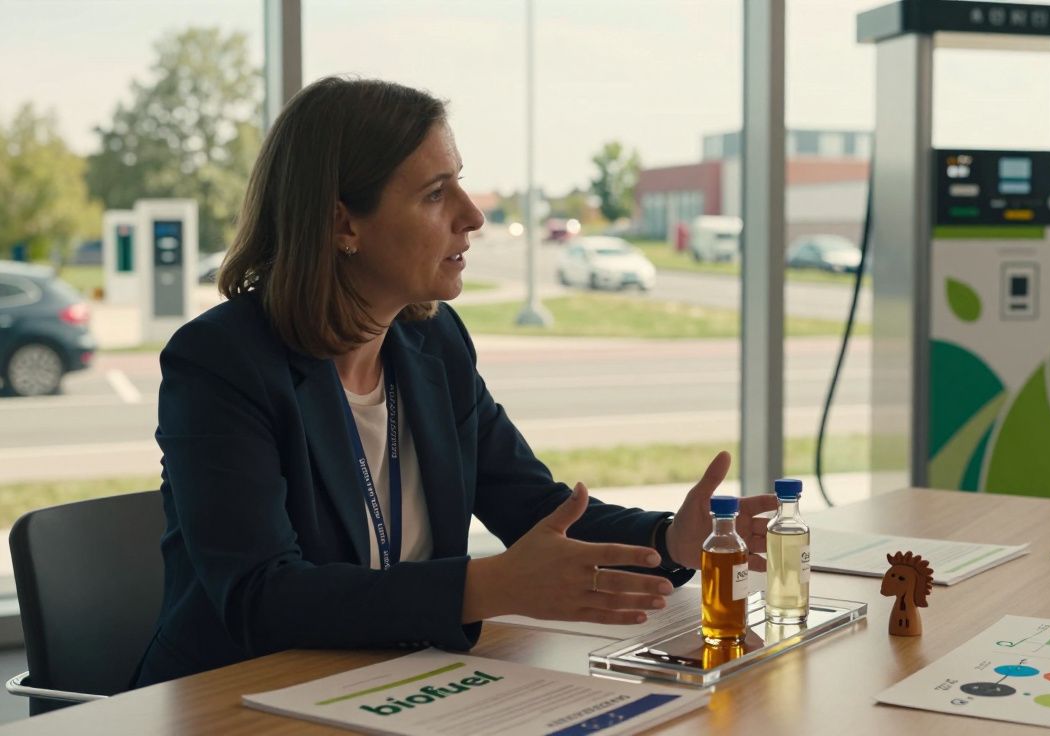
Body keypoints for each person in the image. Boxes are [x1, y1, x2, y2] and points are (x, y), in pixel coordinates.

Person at [132, 76, 778, 687]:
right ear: (342, 224)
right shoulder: (222, 361)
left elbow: (533, 510)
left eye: (459, 185)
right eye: (436, 193)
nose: (473, 216)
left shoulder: (433, 344)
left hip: (396, 685)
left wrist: (672, 539)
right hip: (239, 699)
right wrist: (486, 586)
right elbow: (260, 597)